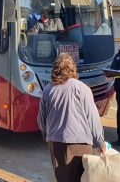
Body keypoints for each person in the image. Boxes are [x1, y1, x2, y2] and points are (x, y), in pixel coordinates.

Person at [38, 53, 105, 182]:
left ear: (56, 69)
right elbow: (93, 118)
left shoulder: (48, 90)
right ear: (73, 68)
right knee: (81, 178)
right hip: (80, 143)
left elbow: (41, 120)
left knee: (62, 179)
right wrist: (99, 141)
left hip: (56, 143)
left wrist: (47, 135)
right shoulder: (82, 88)